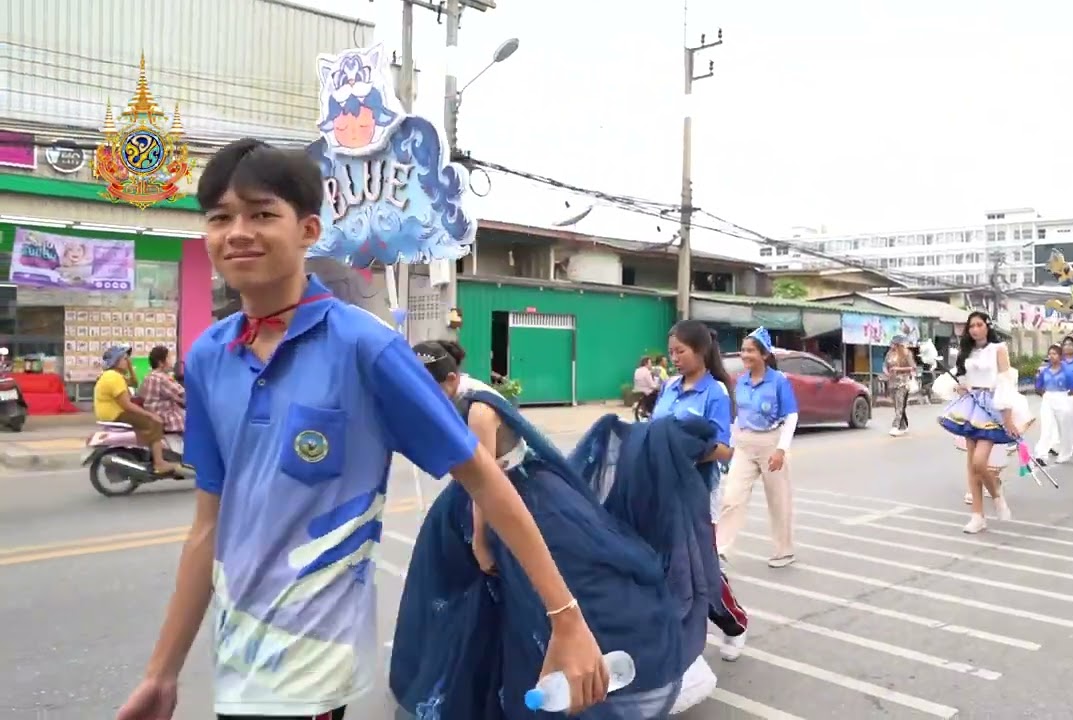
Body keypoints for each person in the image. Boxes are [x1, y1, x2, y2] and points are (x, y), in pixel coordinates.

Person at [115, 139, 608, 720]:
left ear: (308, 229)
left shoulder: (365, 347)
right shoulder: (207, 357)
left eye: (261, 213)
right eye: (220, 217)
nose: (238, 231)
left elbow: (484, 477)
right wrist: (162, 674)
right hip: (237, 660)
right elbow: (208, 526)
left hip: (313, 670)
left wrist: (566, 617)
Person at [391, 341, 683, 719]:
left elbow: (487, 483)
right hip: (482, 497)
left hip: (518, 496)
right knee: (481, 597)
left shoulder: (479, 409)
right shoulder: (458, 394)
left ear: (451, 378)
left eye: (429, 388)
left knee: (529, 589)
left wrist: (481, 541)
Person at [649, 320, 747, 695]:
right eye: (671, 352)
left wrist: (682, 452)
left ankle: (734, 624)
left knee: (700, 567)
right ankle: (679, 642)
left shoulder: (716, 393)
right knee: (663, 566)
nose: (674, 358)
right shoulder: (670, 388)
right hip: (659, 487)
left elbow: (723, 448)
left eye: (680, 352)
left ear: (700, 350)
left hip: (695, 492)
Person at [717, 327, 799, 568]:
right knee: (732, 497)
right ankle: (720, 549)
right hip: (744, 444)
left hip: (771, 443)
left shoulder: (778, 381)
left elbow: (791, 416)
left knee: (778, 500)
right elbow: (736, 417)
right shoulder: (740, 382)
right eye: (743, 350)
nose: (744, 355)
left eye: (750, 350)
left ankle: (783, 550)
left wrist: (781, 450)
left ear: (764, 355)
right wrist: (729, 446)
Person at [937, 311, 1018, 534]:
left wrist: (1007, 417)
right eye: (971, 326)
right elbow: (963, 378)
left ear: (987, 326)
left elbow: (1005, 383)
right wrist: (960, 386)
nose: (974, 329)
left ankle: (997, 496)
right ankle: (977, 516)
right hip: (971, 404)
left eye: (979, 325)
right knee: (971, 465)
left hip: (992, 405)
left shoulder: (998, 349)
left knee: (980, 462)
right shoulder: (967, 351)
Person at [94, 344, 179, 476]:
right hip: (117, 414)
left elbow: (134, 383)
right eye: (124, 359)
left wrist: (129, 367)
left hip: (115, 413)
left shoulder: (116, 375)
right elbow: (127, 405)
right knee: (155, 422)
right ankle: (159, 462)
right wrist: (150, 415)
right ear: (115, 361)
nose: (127, 361)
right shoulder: (113, 377)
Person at [1032, 344, 1073, 465]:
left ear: (1060, 356)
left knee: (1063, 428)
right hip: (1048, 398)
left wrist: (1065, 397)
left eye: (1054, 354)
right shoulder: (1045, 371)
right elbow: (1038, 386)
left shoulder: (1067, 372)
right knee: (1047, 427)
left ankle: (1065, 454)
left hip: (1062, 397)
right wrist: (1045, 395)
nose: (1051, 356)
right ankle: (1041, 455)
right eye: (1050, 354)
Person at [138, 346, 186, 435]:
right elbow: (182, 394)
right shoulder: (162, 378)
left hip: (152, 416)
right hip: (166, 420)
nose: (172, 360)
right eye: (169, 357)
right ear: (161, 363)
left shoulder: (147, 377)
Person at [883, 335, 916, 436]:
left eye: (893, 344)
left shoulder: (906, 354)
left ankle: (895, 426)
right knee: (897, 405)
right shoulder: (889, 354)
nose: (891, 346)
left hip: (903, 383)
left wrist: (897, 369)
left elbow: (912, 367)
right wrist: (886, 372)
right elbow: (885, 365)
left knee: (900, 405)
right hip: (892, 382)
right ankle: (903, 425)